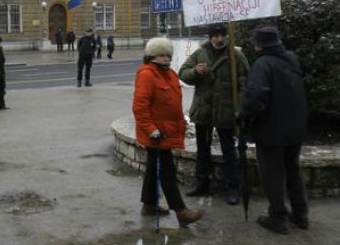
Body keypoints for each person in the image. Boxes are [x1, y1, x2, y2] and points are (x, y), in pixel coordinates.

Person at [238, 25, 309, 234]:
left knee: (273, 174)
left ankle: (277, 217)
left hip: (271, 128)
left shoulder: (262, 64)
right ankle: (300, 214)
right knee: (292, 170)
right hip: (295, 126)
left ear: (259, 45)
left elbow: (256, 96)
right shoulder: (291, 59)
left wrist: (243, 114)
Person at [132, 37, 204, 227]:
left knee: (153, 169)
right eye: (161, 55)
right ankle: (181, 211)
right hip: (155, 134)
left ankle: (149, 205)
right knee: (167, 171)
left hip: (167, 131)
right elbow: (140, 107)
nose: (165, 58)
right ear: (151, 56)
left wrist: (181, 124)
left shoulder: (170, 73)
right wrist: (151, 129)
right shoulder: (147, 74)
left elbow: (174, 103)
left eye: (168, 55)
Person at [178, 22, 249, 205]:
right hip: (204, 109)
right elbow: (183, 73)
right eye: (215, 36)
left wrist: (239, 108)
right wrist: (195, 72)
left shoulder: (236, 56)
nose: (219, 39)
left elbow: (244, 84)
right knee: (203, 150)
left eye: (221, 35)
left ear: (226, 36)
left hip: (226, 110)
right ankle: (202, 183)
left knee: (229, 151)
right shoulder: (200, 53)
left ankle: (233, 188)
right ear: (210, 37)